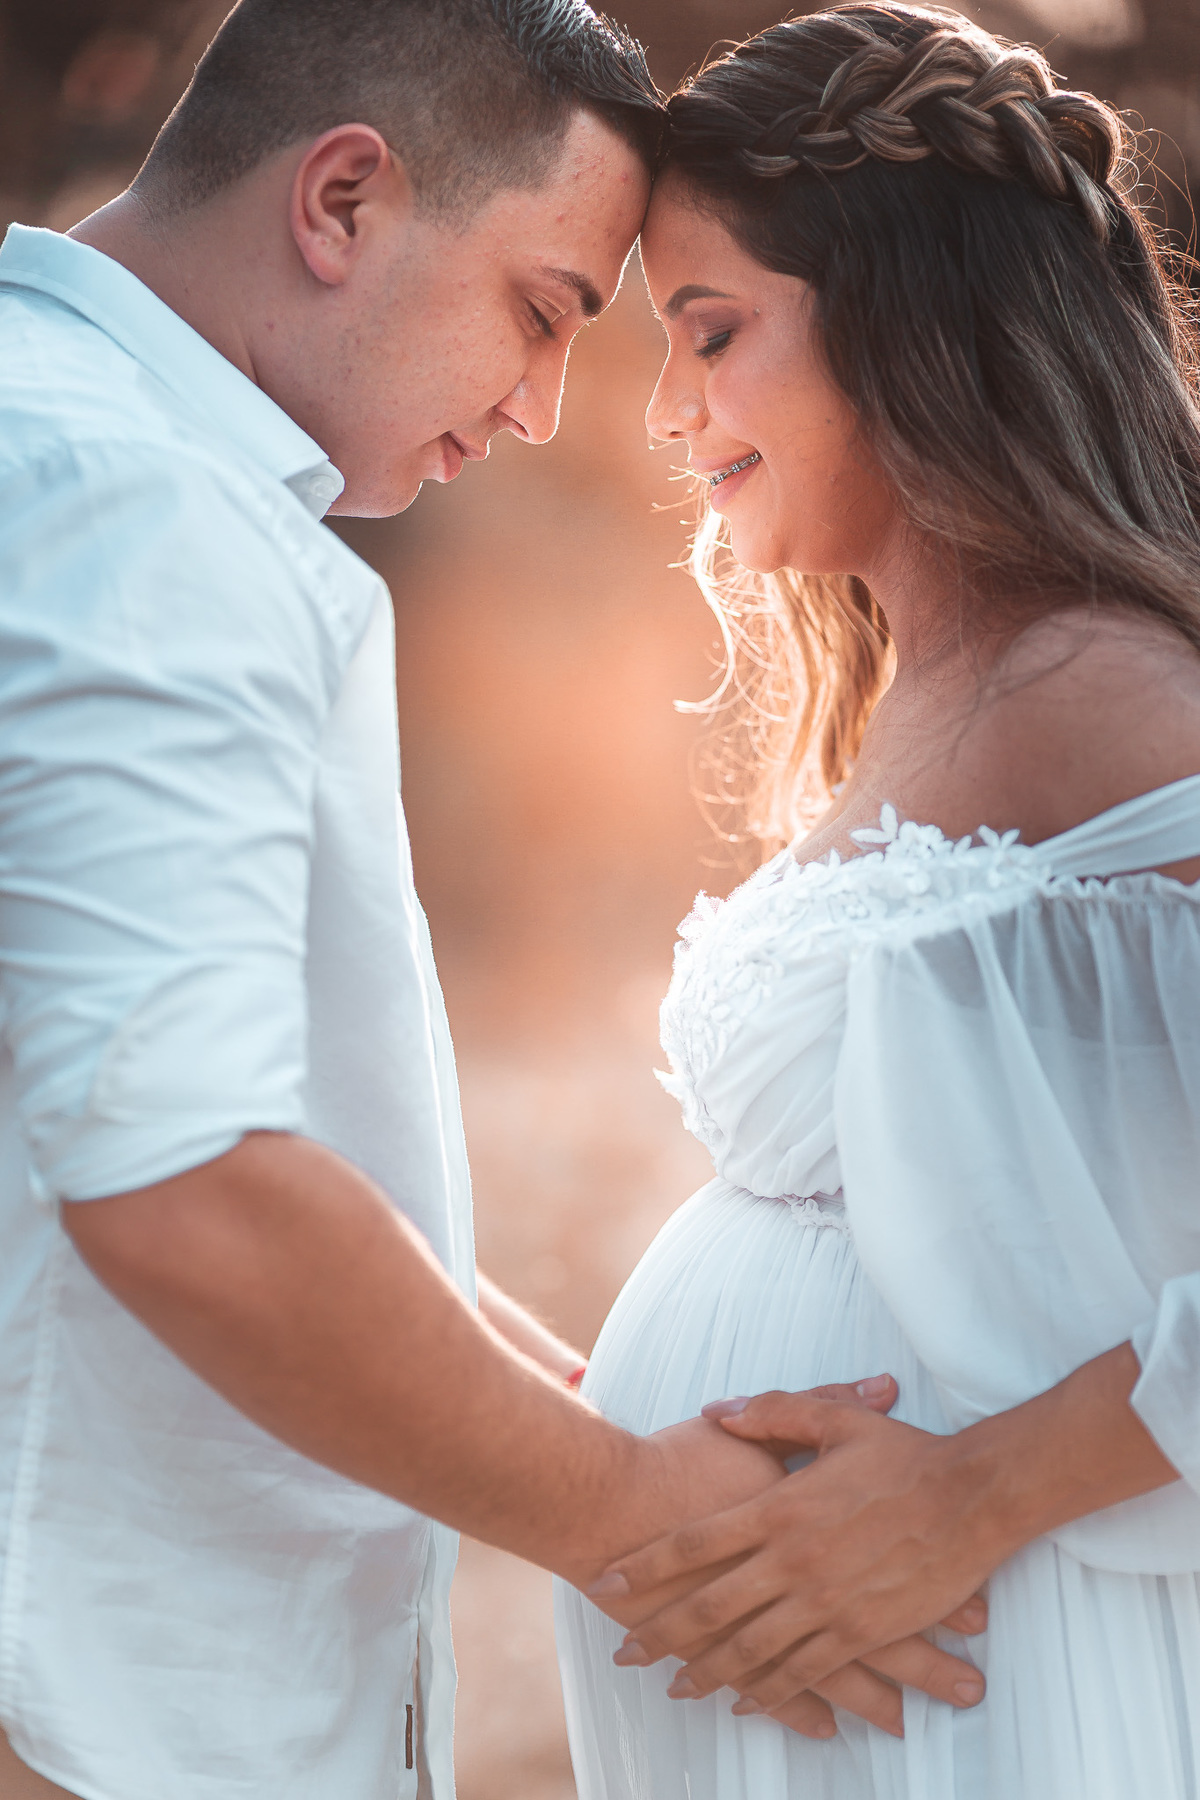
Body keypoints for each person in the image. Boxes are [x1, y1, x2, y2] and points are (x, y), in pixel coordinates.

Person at [0, 1, 988, 1795]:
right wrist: (630, 1514)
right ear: (346, 199)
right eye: (546, 312)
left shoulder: (69, 449)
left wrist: (650, 1444)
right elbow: (188, 1182)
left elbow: (247, 1157)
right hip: (85, 1714)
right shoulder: (140, 511)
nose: (543, 412)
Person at [555, 5, 1200, 1797]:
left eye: (713, 335)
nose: (670, 412)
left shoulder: (1105, 687)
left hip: (978, 1654)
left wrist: (969, 1501)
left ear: (912, 331)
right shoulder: (949, 681)